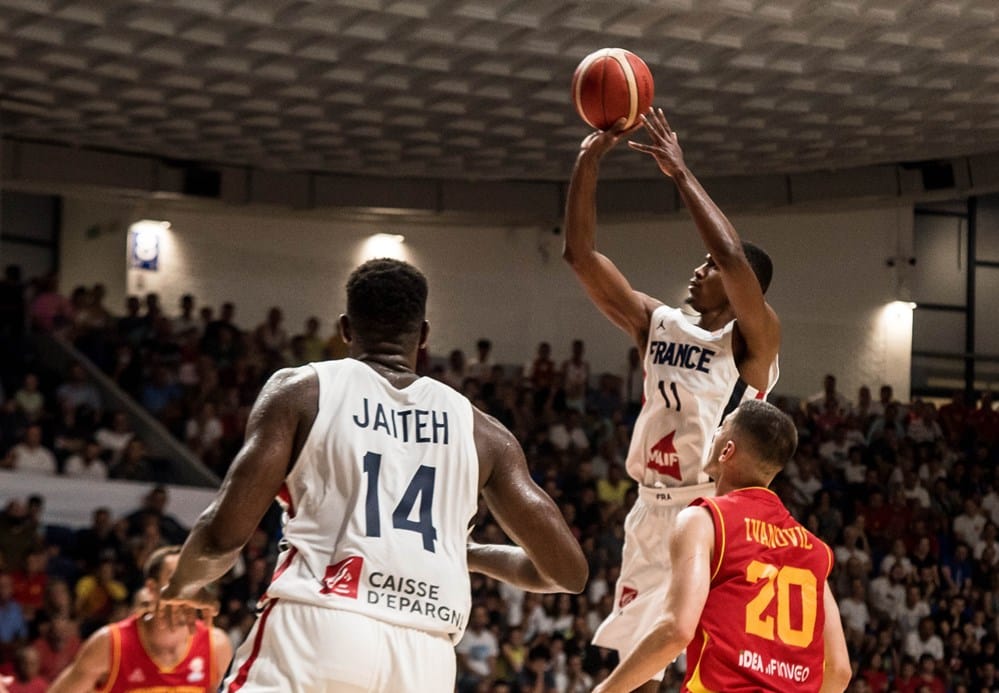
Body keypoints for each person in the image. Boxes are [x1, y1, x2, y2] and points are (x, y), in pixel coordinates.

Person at [159, 258, 587, 692]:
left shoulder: (302, 391)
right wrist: (470, 554)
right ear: (423, 335)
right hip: (427, 657)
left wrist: (184, 585)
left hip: (319, 625)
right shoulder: (482, 430)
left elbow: (221, 537)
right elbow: (567, 574)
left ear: (345, 328)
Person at [562, 107, 781, 688]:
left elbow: (732, 257)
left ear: (743, 289)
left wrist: (680, 173)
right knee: (639, 665)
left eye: (709, 267)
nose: (700, 269)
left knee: (716, 661)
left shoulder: (753, 340)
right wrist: (587, 162)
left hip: (714, 507)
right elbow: (580, 257)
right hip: (651, 509)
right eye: (702, 263)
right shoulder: (656, 323)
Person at [593, 400, 851, 692]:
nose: (714, 432)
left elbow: (677, 630)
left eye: (721, 428)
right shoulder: (814, 550)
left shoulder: (704, 520)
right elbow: (840, 671)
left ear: (727, 451)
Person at [48, 546, 231, 692]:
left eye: (191, 580)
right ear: (152, 588)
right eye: (175, 580)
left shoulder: (216, 645)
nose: (185, 589)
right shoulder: (110, 643)